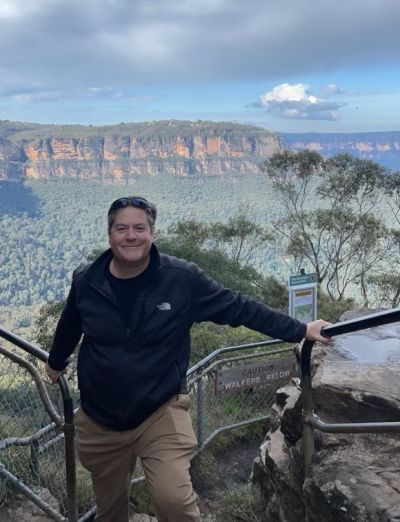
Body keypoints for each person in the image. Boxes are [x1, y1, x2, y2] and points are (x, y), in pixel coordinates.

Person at [46, 196, 330, 522]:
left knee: (174, 503)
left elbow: (239, 307)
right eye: (121, 228)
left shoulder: (181, 279)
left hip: (160, 410)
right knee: (109, 508)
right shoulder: (87, 280)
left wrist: (299, 329)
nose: (130, 236)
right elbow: (70, 324)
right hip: (100, 419)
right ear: (109, 234)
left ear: (152, 232)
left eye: (139, 227)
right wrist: (55, 362)